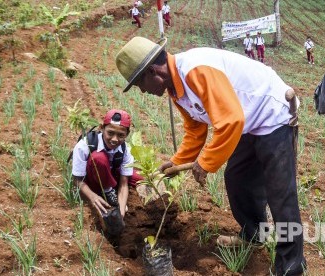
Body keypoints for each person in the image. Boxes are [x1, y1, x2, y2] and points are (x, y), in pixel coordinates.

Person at [115, 36, 306, 276]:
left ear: (153, 71)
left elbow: (231, 119)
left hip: (273, 113)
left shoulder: (196, 71)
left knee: (281, 193)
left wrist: (205, 164)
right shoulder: (175, 89)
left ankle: (291, 265)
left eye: (140, 84)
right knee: (238, 179)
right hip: (248, 121)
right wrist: (176, 162)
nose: (143, 91)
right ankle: (254, 235)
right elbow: (196, 129)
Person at [71, 109, 142, 231]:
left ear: (127, 134)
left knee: (142, 178)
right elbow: (77, 180)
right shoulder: (84, 145)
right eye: (110, 133)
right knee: (98, 159)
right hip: (92, 179)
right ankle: (108, 191)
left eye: (121, 135)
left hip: (110, 174)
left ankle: (111, 189)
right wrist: (92, 197)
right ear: (101, 128)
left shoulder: (126, 149)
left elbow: (124, 183)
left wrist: (120, 213)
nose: (114, 139)